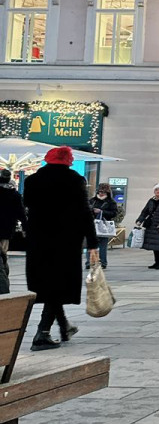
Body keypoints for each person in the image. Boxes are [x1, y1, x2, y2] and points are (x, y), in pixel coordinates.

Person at [25, 146, 99, 349]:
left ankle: (63, 326)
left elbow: (28, 205)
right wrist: (92, 242)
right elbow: (84, 212)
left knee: (48, 285)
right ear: (68, 160)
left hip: (39, 241)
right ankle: (43, 333)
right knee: (57, 285)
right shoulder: (74, 180)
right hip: (65, 242)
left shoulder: (32, 180)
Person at [0, 167, 26, 295]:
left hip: (5, 230)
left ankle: (3, 285)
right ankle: (4, 285)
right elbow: (21, 213)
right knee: (3, 256)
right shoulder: (14, 195)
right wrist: (25, 227)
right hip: (6, 231)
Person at [136, 184, 159, 270]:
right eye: (156, 190)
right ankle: (156, 262)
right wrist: (140, 220)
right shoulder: (151, 200)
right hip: (151, 224)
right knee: (154, 245)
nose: (158, 191)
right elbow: (145, 211)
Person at [87, 183, 118, 271]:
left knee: (103, 246)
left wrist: (102, 212)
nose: (101, 193)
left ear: (107, 192)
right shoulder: (92, 200)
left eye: (103, 192)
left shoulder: (111, 202)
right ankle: (89, 262)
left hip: (104, 226)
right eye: (100, 191)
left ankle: (102, 262)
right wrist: (92, 211)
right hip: (92, 226)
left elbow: (114, 213)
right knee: (90, 245)